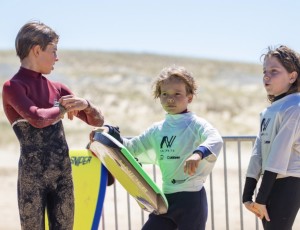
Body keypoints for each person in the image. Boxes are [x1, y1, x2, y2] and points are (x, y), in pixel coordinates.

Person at [2, 21, 104, 230]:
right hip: (32, 180)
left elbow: (97, 121)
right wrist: (64, 109)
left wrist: (87, 104)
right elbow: (37, 118)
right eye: (53, 50)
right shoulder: (13, 87)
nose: (57, 57)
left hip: (62, 177)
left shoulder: (57, 88)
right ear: (37, 50)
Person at [99, 65, 223, 230]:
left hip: (192, 202)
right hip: (165, 201)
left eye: (177, 94)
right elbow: (131, 148)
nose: (170, 99)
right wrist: (109, 132)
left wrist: (198, 154)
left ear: (190, 97)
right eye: (165, 94)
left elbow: (215, 138)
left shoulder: (196, 124)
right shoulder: (157, 130)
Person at [242, 45, 300, 230]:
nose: (266, 76)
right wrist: (247, 194)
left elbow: (279, 154)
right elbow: (258, 152)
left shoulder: (295, 106)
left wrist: (260, 197)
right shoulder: (268, 111)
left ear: (292, 76)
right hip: (273, 181)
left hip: (290, 181)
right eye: (264, 71)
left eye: (274, 71)